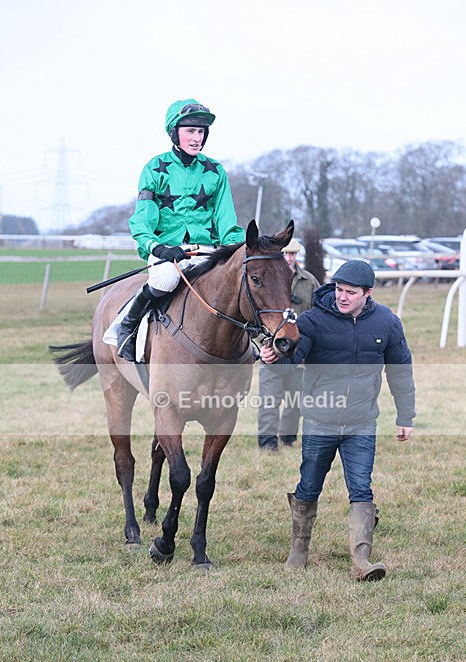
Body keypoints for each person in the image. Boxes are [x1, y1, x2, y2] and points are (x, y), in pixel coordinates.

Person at [260, 260, 415, 581]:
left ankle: (362, 561)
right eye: (339, 290)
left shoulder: (387, 322)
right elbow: (293, 359)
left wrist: (405, 415)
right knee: (309, 485)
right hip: (320, 420)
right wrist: (275, 356)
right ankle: (298, 551)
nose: (342, 297)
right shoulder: (314, 320)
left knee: (361, 489)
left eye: (350, 293)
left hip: (362, 423)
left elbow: (400, 370)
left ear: (367, 293)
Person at [116, 98, 245, 361]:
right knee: (165, 280)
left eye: (201, 132)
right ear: (174, 133)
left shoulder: (215, 171)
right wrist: (156, 247)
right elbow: (143, 218)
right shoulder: (154, 169)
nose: (197, 138)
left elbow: (226, 217)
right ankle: (127, 326)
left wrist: (236, 247)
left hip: (207, 250)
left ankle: (248, 343)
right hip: (167, 251)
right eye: (190, 131)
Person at [257, 238, 320, 451]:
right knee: (269, 401)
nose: (289, 258)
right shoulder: (266, 280)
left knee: (295, 402)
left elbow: (318, 316)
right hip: (272, 351)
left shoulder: (309, 282)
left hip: (298, 352)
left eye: (293, 254)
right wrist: (263, 346)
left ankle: (288, 438)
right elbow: (256, 317)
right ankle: (267, 444)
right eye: (286, 253)